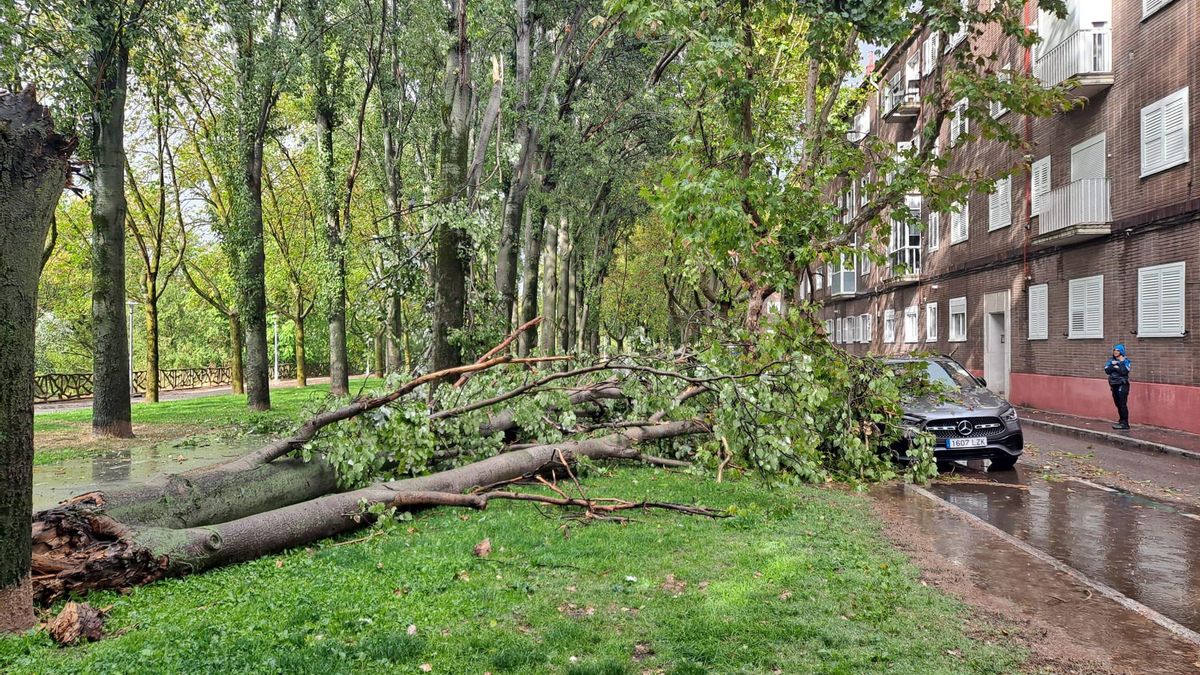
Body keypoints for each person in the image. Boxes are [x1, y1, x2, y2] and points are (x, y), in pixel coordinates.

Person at [1104, 344, 1131, 430]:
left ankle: (1125, 423)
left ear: (1121, 352)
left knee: (1122, 404)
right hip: (1114, 384)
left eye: (1118, 350)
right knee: (1118, 404)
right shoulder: (1111, 361)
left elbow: (1124, 372)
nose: (1115, 352)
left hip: (1122, 384)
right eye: (1114, 350)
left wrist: (1120, 363)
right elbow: (1107, 370)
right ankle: (1121, 421)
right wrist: (1114, 366)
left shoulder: (1126, 361)